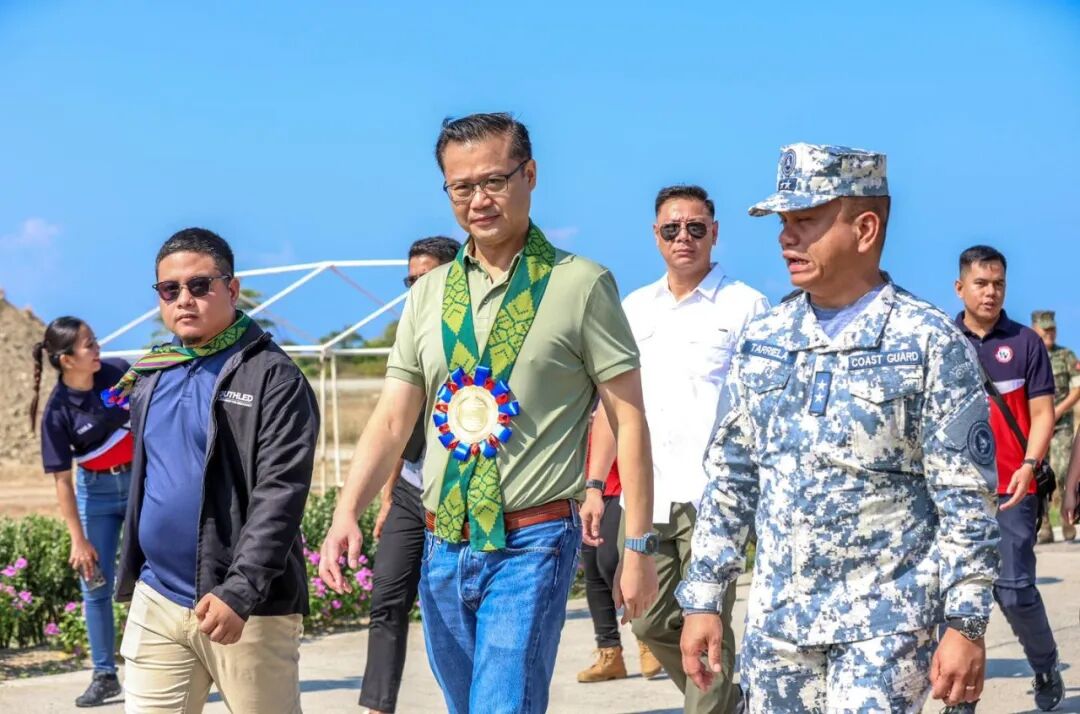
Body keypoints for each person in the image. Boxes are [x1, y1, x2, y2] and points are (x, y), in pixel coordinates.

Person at [318, 112, 659, 714]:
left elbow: (628, 418)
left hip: (533, 541)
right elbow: (394, 418)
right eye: (461, 186)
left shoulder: (582, 284)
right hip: (442, 543)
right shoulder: (428, 293)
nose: (479, 200)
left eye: (494, 180)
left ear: (530, 175)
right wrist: (347, 509)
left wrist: (638, 548)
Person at [678, 143, 1000, 713]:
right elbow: (732, 480)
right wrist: (704, 597)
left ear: (865, 228)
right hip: (778, 628)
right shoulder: (764, 339)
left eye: (805, 220)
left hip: (887, 626)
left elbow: (966, 498)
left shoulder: (928, 343)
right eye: (783, 223)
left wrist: (966, 623)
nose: (786, 238)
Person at [113, 227, 319, 714]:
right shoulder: (154, 371)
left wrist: (240, 591)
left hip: (245, 609)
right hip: (158, 597)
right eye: (170, 289)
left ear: (232, 288)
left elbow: (281, 494)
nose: (184, 299)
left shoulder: (273, 377)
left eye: (199, 285)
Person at [589, 184, 768, 712]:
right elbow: (612, 407)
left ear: (715, 232)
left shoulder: (746, 305)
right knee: (645, 619)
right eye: (672, 229)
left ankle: (712, 704)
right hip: (648, 493)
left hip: (716, 494)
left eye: (695, 227)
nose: (683, 237)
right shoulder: (634, 308)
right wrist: (595, 484)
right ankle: (729, 700)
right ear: (656, 235)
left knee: (706, 620)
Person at [954, 246, 1064, 711]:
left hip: (1014, 487)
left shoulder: (1025, 343)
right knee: (959, 598)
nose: (991, 292)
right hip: (956, 490)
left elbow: (1042, 414)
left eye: (998, 284)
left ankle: (1045, 664)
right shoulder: (944, 342)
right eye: (981, 283)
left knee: (1015, 592)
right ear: (960, 287)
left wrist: (1030, 464)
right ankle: (962, 696)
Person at [360, 235, 460, 714]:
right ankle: (377, 706)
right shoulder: (409, 333)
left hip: (459, 491)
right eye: (411, 279)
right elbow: (396, 426)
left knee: (451, 606)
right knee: (387, 597)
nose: (418, 287)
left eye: (428, 277)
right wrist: (385, 499)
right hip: (410, 489)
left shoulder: (470, 336)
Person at [30, 317, 131, 707]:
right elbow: (62, 481)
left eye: (94, 340)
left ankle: (174, 664)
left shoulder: (118, 373)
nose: (97, 348)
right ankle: (105, 675)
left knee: (161, 572)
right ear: (67, 359)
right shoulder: (57, 412)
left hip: (140, 483)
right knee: (95, 585)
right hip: (96, 496)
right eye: (89, 344)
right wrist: (79, 540)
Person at [577, 439, 662, 683]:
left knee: (610, 562)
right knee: (593, 572)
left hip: (619, 487)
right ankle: (609, 652)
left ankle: (646, 638)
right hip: (582, 490)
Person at [1031, 309, 1080, 542]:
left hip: (1062, 425)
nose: (1050, 333)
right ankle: (1045, 526)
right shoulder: (1030, 355)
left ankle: (1066, 515)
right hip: (1037, 426)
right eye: (1045, 330)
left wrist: (1057, 412)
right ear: (1035, 330)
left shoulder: (1066, 356)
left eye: (1052, 329)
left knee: (1061, 471)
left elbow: (1077, 389)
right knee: (1039, 475)